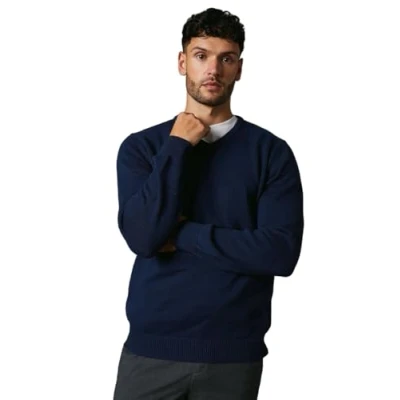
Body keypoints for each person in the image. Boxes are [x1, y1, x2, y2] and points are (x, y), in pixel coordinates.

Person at [113, 7, 304, 400]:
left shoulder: (271, 153)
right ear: (182, 62)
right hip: (151, 352)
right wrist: (178, 145)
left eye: (226, 58)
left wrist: (182, 233)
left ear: (239, 68)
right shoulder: (143, 148)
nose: (213, 69)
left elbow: (280, 253)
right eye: (201, 56)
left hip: (233, 356)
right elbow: (143, 237)